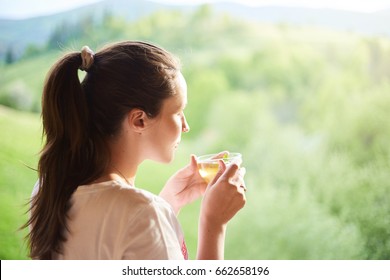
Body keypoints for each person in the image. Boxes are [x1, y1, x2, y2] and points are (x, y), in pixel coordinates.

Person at [24, 41, 246, 260]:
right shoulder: (142, 214)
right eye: (178, 112)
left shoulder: (48, 187)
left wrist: (168, 204)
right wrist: (213, 223)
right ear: (139, 120)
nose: (186, 126)